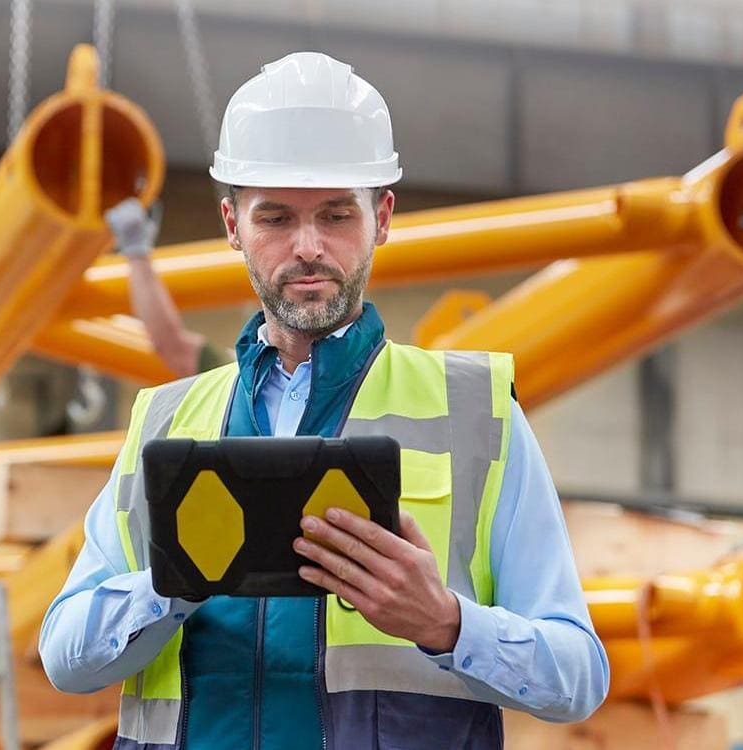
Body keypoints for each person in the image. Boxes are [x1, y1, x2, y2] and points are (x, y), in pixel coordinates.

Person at [38, 52, 609, 749]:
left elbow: (578, 676)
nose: (308, 247)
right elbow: (65, 658)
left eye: (336, 215)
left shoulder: (476, 415)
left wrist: (445, 623)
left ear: (382, 217)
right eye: (276, 218)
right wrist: (170, 583)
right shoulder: (165, 420)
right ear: (232, 224)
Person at [105, 198, 231, 377]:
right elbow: (172, 345)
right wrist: (137, 252)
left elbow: (172, 347)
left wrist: (136, 251)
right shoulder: (243, 372)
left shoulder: (242, 375)